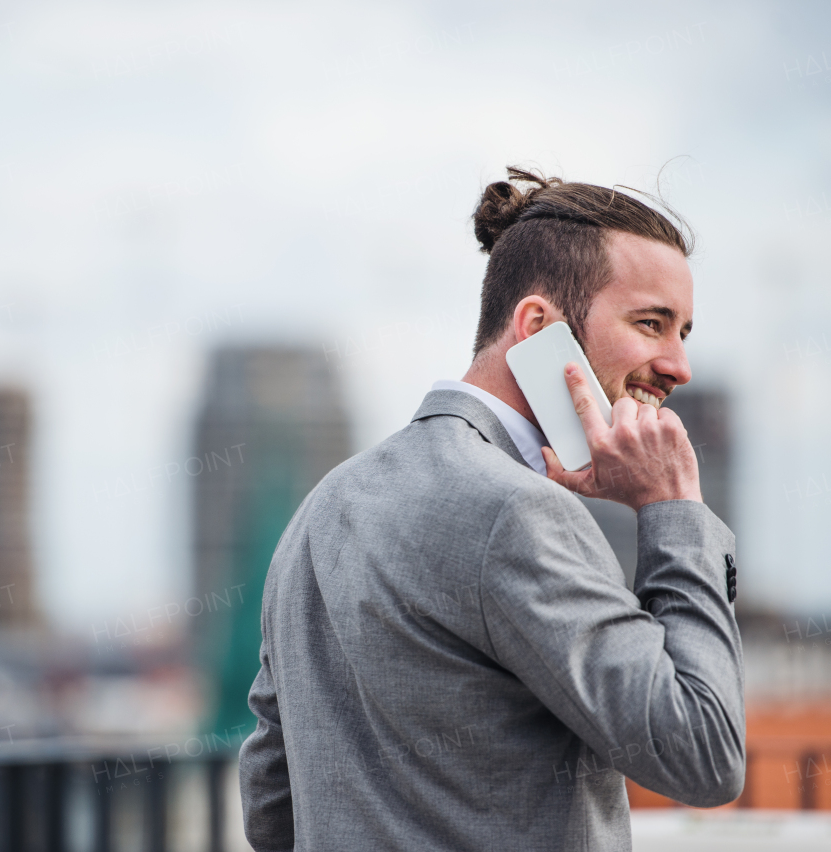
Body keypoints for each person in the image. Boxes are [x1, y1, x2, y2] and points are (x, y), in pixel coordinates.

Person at [237, 167, 745, 851]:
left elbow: (273, 790)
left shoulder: (323, 506)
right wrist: (673, 508)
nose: (678, 365)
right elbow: (704, 755)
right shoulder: (520, 514)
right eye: (650, 323)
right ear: (538, 327)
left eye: (682, 330)